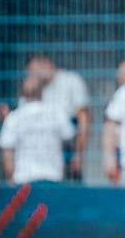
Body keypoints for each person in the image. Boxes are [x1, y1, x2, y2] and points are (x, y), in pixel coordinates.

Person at [0, 70, 76, 185]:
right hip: (52, 177)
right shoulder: (56, 114)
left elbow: (7, 151)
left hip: (23, 180)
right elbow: (69, 137)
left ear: (22, 94)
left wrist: (10, 179)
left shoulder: (14, 118)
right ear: (42, 91)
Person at [24, 53, 91, 181]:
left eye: (34, 72)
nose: (33, 76)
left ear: (47, 64)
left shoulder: (70, 81)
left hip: (66, 145)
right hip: (37, 151)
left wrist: (78, 154)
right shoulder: (34, 89)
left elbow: (83, 119)